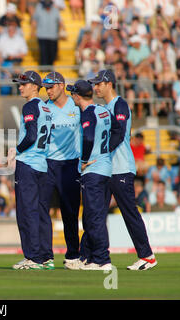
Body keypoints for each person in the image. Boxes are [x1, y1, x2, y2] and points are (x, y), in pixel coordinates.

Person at [90, 69, 157, 270]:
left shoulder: (120, 104)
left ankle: (147, 256)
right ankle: (91, 256)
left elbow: (119, 134)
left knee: (129, 213)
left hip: (120, 168)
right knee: (96, 213)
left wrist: (100, 153)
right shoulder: (103, 106)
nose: (95, 88)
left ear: (109, 83)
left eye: (99, 84)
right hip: (106, 169)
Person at [67, 80, 114, 270]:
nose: (72, 97)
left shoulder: (88, 113)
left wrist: (85, 160)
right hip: (106, 167)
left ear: (77, 96)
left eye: (73, 94)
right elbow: (117, 131)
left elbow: (88, 136)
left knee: (93, 216)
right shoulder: (104, 110)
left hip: (93, 170)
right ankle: (87, 256)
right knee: (94, 216)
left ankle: (102, 259)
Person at [9, 71, 52, 270]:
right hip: (43, 165)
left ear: (35, 86)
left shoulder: (30, 106)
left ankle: (33, 258)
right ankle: (45, 256)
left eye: (24, 84)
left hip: (28, 163)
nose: (20, 87)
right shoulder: (47, 107)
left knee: (27, 212)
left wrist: (15, 150)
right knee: (41, 212)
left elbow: (32, 135)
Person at [39, 71, 82, 270]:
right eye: (45, 88)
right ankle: (45, 256)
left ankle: (73, 254)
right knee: (42, 211)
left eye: (50, 87)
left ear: (61, 85)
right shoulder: (43, 108)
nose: (47, 91)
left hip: (71, 165)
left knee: (70, 213)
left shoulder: (77, 105)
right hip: (48, 164)